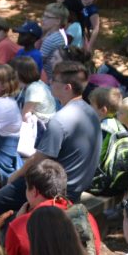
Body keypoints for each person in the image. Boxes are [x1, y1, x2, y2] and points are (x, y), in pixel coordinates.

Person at [36, 61, 103, 201]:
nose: (50, 81)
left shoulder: (60, 120)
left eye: (54, 79)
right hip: (77, 187)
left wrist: (14, 177)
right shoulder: (91, 112)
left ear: (67, 88)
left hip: (56, 192)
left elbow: (39, 161)